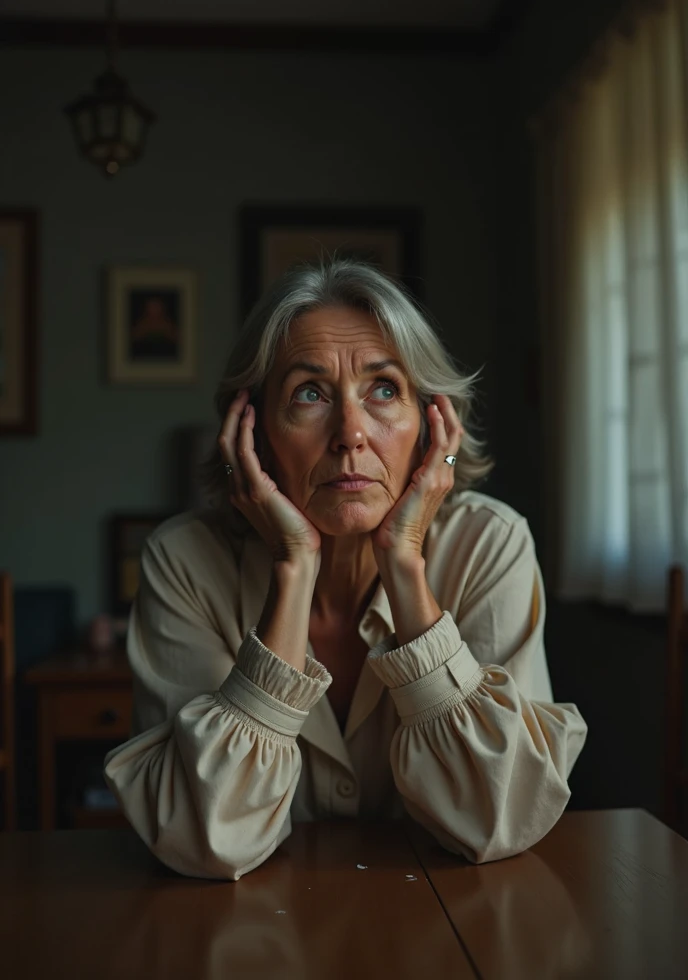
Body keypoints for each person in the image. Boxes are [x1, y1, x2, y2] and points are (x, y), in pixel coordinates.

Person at [103, 258, 588, 881]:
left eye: (384, 389)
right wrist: (294, 565)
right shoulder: (184, 563)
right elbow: (204, 838)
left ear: (431, 425)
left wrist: (405, 565)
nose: (351, 433)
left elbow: (499, 817)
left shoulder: (489, 546)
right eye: (310, 393)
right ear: (250, 436)